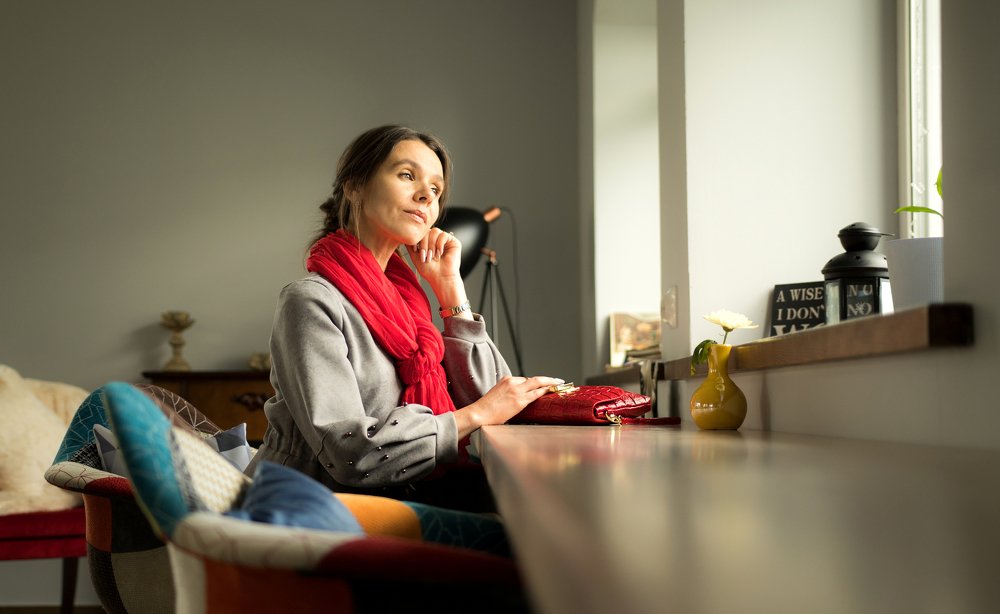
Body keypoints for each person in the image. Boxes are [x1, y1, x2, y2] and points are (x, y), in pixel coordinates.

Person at [246, 125, 563, 510]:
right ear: (355, 186)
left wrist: (450, 290)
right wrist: (476, 415)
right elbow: (350, 455)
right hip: (314, 510)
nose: (426, 195)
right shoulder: (311, 301)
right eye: (407, 175)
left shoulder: (409, 304)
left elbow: (497, 407)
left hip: (399, 501)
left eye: (436, 189)